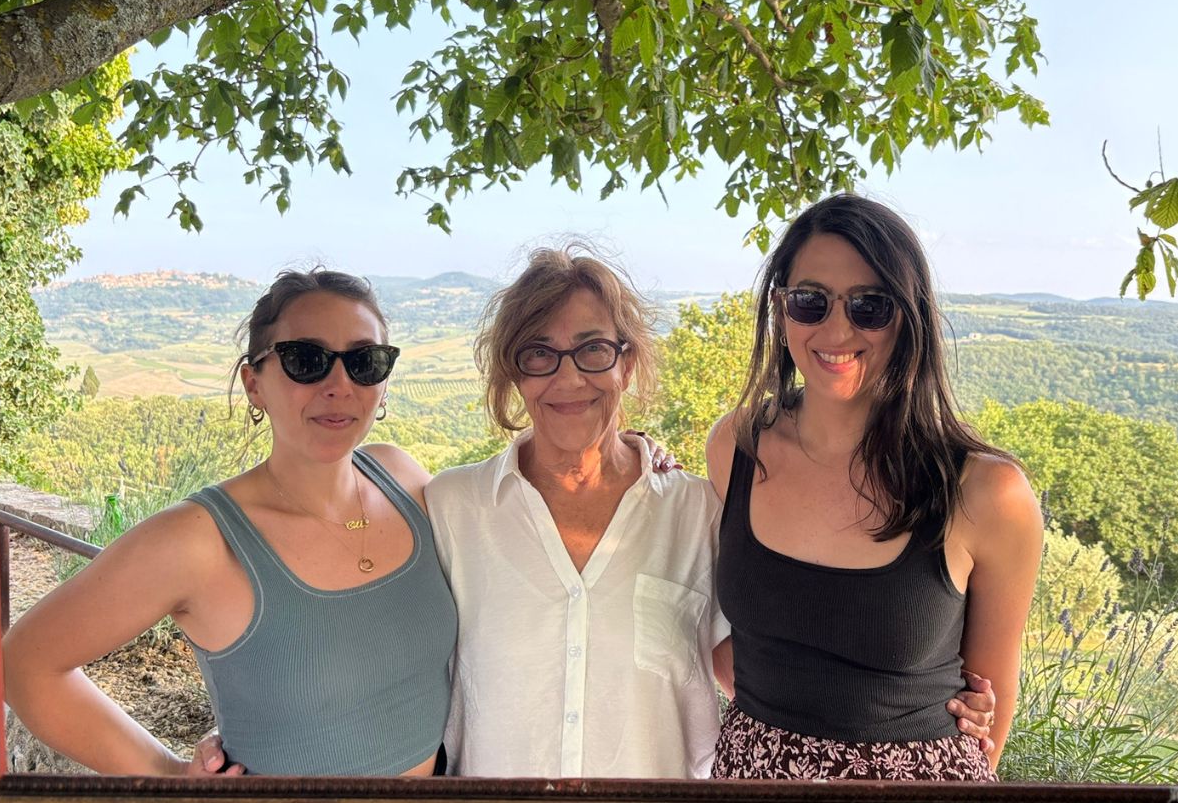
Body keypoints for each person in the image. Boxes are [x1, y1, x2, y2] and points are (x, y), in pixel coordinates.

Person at [423, 245, 1001, 779]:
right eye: (538, 353)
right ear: (513, 371)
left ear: (628, 363)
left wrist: (932, 704)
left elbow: (762, 650)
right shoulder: (450, 510)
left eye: (593, 349)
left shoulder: (697, 511)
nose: (568, 376)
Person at [3, 269, 457, 776]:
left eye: (364, 362)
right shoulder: (201, 540)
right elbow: (26, 664)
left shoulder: (401, 478)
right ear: (254, 384)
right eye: (306, 360)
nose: (339, 385)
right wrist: (170, 774)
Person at [707, 194, 1044, 782]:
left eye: (870, 306)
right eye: (810, 301)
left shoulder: (986, 493)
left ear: (909, 317)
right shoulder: (735, 448)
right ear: (781, 309)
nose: (837, 329)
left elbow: (989, 717)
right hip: (748, 784)